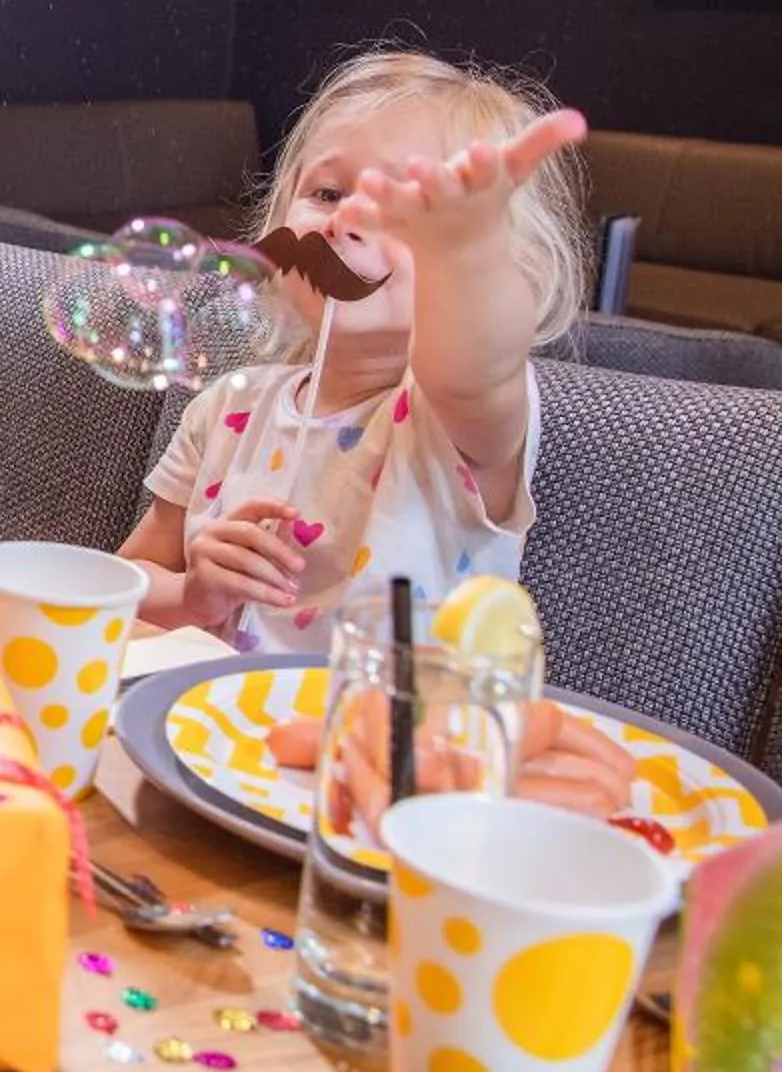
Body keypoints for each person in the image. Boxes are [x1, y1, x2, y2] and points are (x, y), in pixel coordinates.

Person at [121, 49, 590, 654]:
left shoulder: (448, 423)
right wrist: (189, 594)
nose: (348, 221)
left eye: (406, 212)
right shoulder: (227, 409)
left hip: (379, 742)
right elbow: (120, 583)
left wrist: (467, 254)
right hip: (207, 732)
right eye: (328, 191)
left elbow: (481, 365)